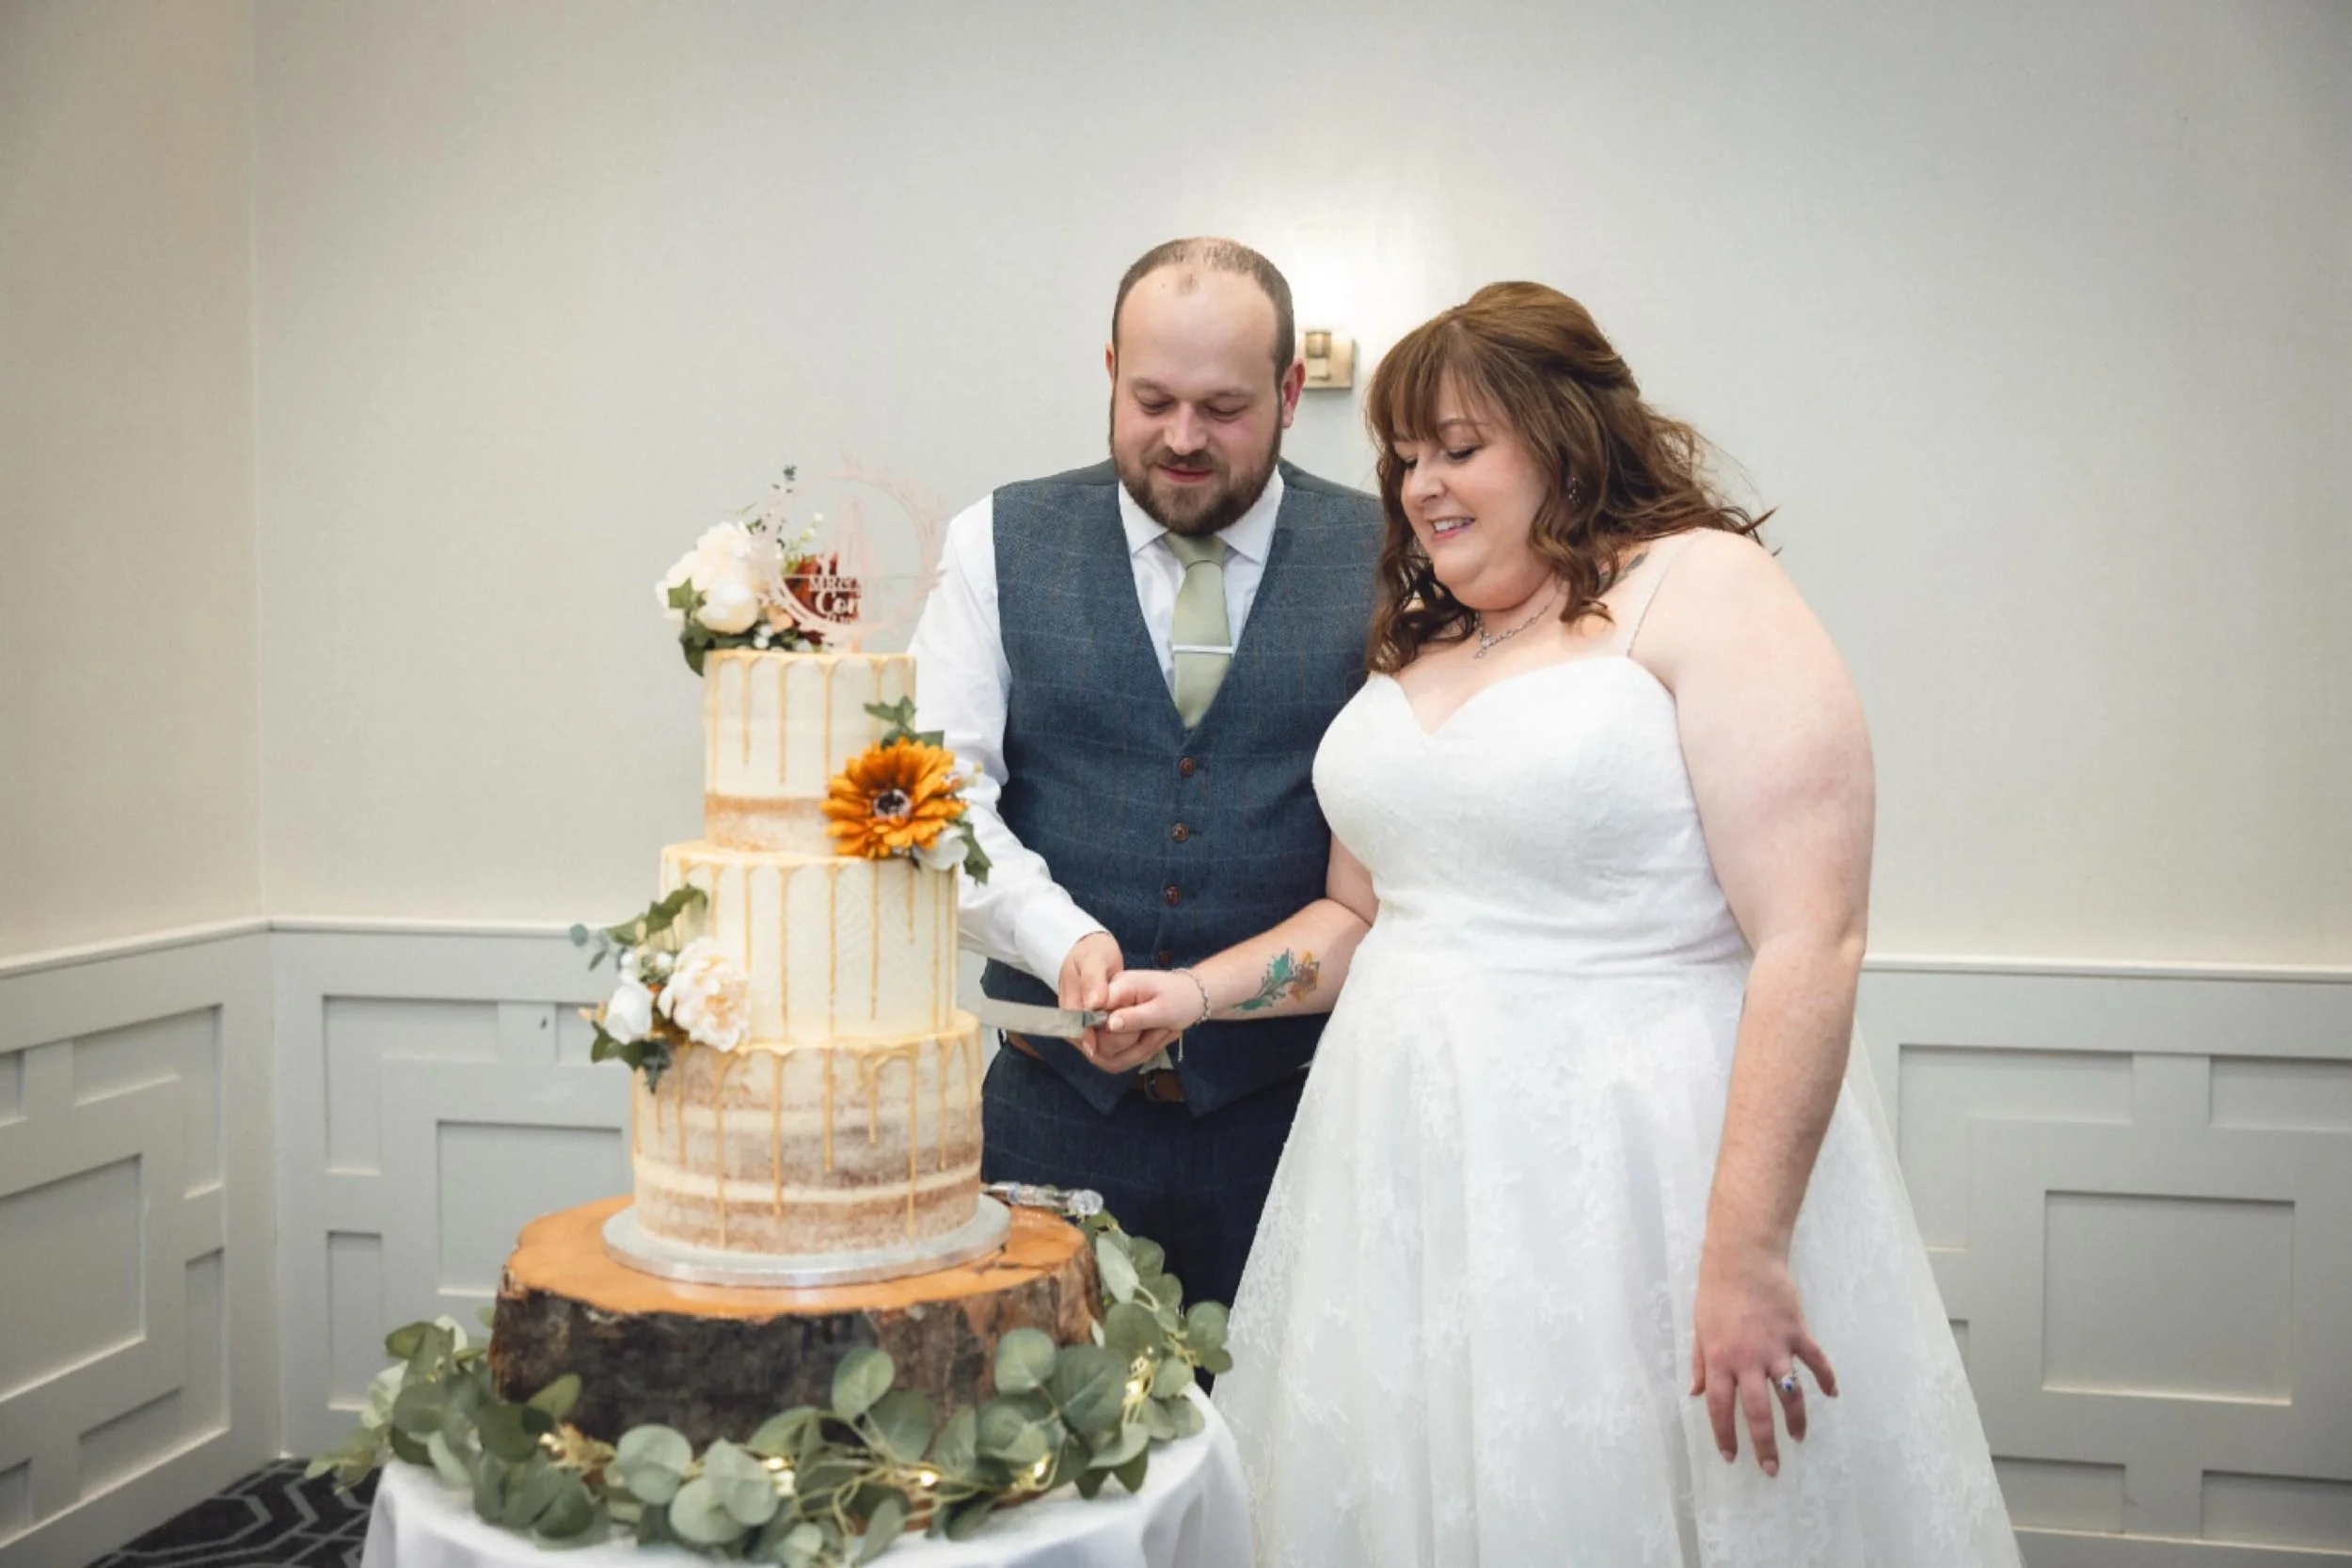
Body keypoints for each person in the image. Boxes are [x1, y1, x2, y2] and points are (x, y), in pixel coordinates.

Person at [1102, 282, 2019, 1563]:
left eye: (1460, 448)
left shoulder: (1702, 587)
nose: (1422, 485)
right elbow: (1364, 916)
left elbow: (1814, 935)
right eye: (1406, 457)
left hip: (1630, 1171)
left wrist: (1744, 1249)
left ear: (1567, 436)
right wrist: (1190, 995)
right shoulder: (1414, 645)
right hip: (1401, 1169)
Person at [908, 237, 1383, 1317]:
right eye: (1153, 397)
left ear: (1291, 390)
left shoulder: (1389, 556)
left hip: (1299, 1119)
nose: (1181, 437)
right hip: (1048, 1112)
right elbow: (937, 796)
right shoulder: (996, 541)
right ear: (1111, 369)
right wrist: (1060, 941)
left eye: (1222, 407)